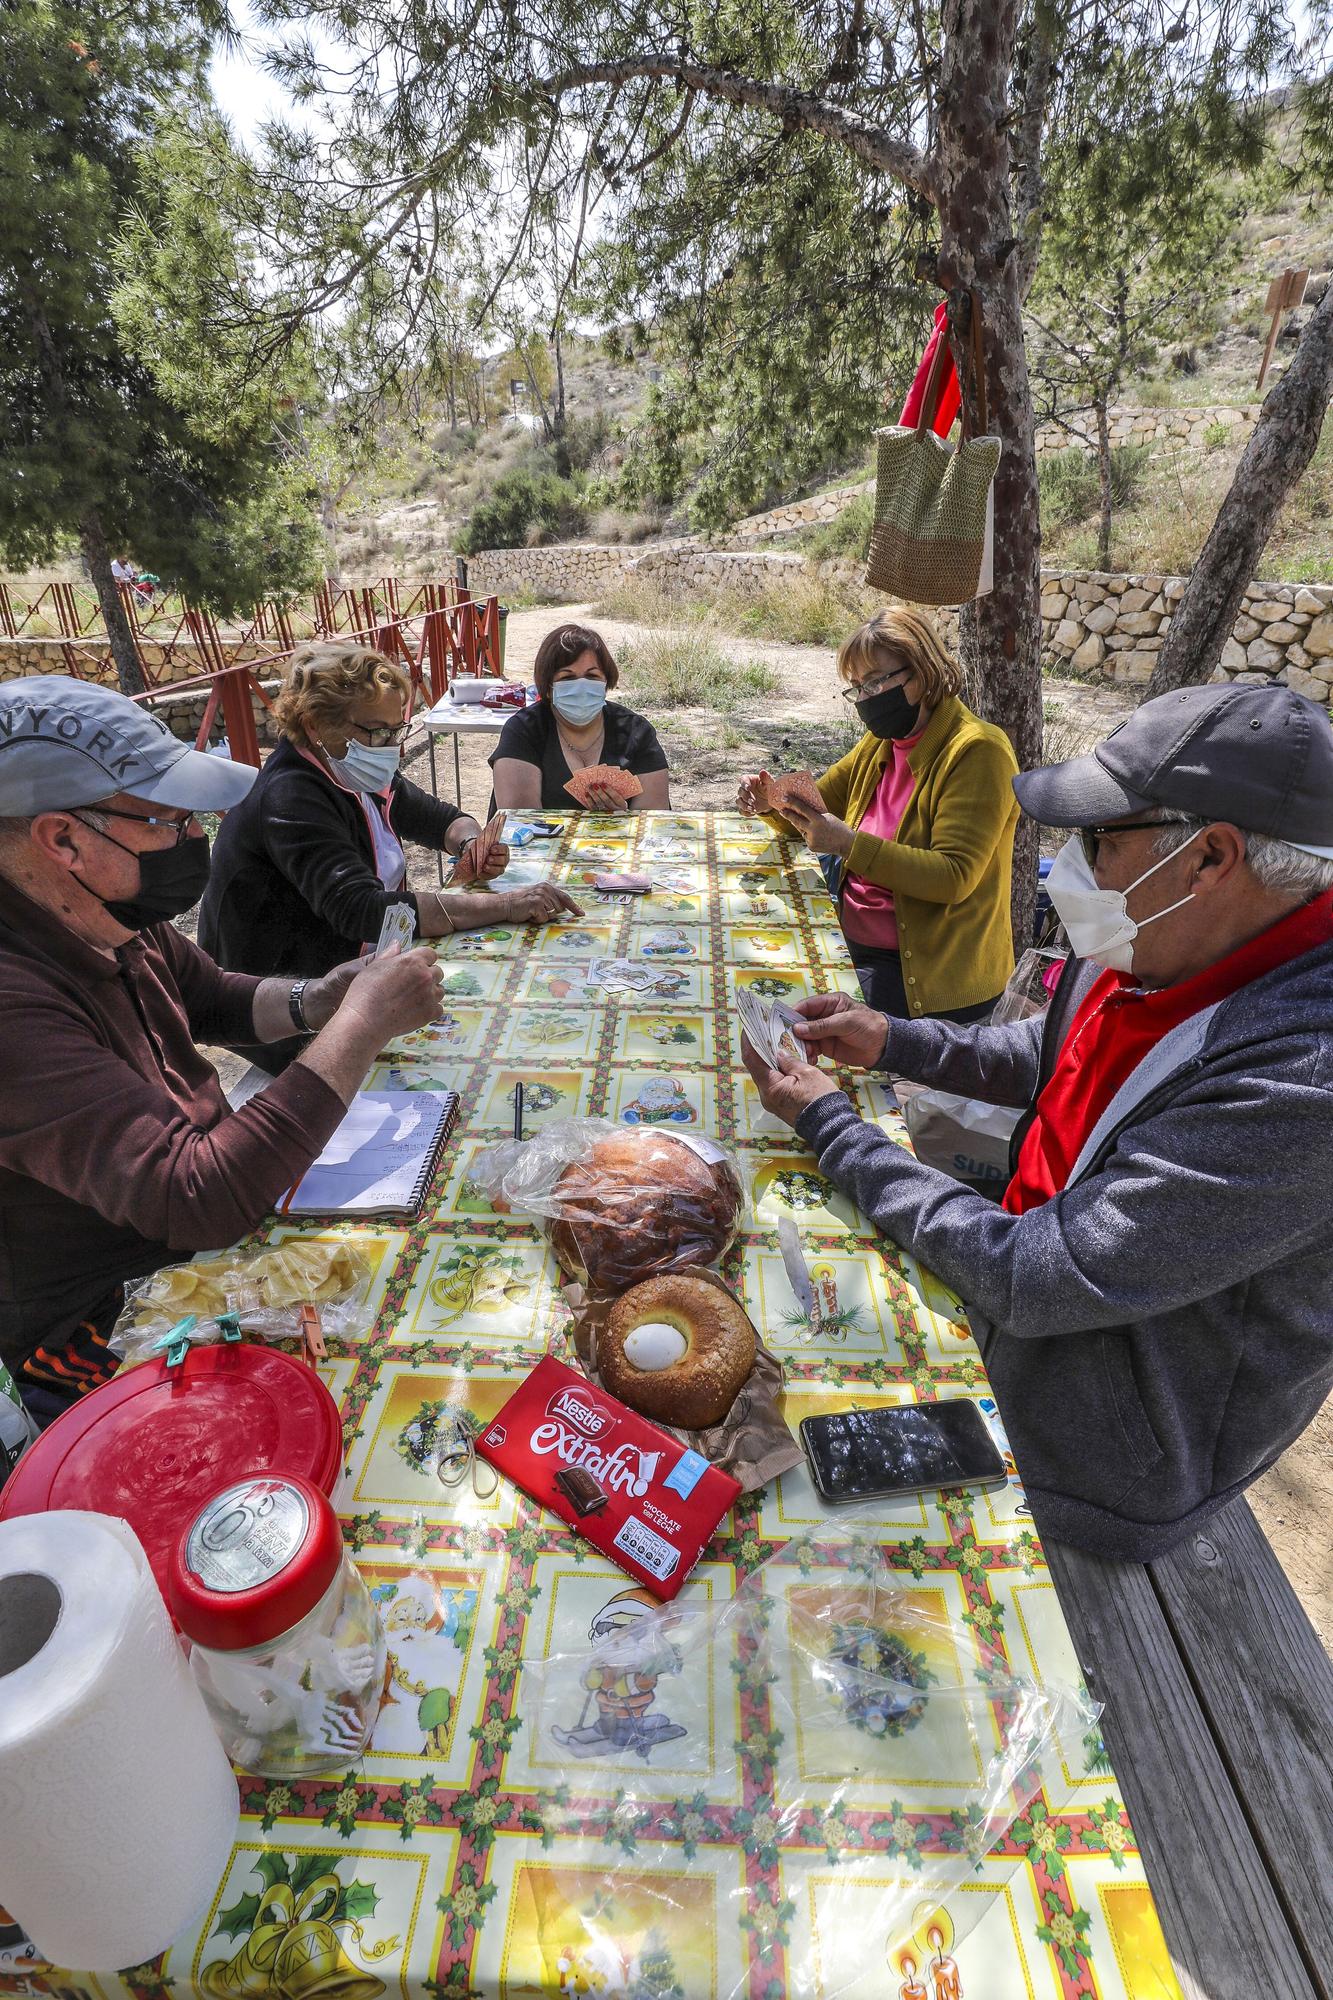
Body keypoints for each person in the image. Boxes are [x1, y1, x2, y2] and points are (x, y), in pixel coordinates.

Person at [741, 682, 1333, 1561]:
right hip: (1018, 1292)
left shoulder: (1301, 1083)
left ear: (1210, 857)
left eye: (1100, 840)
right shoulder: (1163, 933)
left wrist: (833, 1126)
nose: (1073, 867)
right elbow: (1051, 1054)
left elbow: (1042, 1275)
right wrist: (890, 1039)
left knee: (793, 1515)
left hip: (1095, 1451)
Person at [0, 676, 447, 1425]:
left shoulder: (102, 911)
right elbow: (195, 1198)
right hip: (102, 1313)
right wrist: (358, 1030)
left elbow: (212, 997)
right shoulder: (14, 1000)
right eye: (169, 822)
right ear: (64, 838)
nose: (191, 841)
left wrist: (318, 1000)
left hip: (204, 1236)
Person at [200, 643, 581, 1070]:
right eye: (378, 733)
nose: (392, 748)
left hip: (347, 973)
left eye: (397, 731)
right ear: (315, 725)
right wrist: (503, 904)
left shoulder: (347, 765)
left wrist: (471, 842)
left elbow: (438, 818)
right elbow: (362, 909)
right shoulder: (292, 796)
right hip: (284, 1009)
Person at [737, 608, 1018, 1022]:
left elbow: (953, 876)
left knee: (786, 1019)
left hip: (923, 975)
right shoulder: (882, 742)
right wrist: (771, 804)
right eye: (856, 688)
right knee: (746, 973)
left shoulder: (978, 751)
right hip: (856, 943)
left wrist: (848, 845)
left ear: (920, 674)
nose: (866, 700)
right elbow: (817, 809)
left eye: (875, 683)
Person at [489, 623, 671, 814]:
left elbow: (653, 822)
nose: (581, 686)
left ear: (606, 682)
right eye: (567, 678)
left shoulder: (636, 731)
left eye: (592, 676)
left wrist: (621, 821)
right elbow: (521, 822)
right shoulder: (524, 730)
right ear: (549, 687)